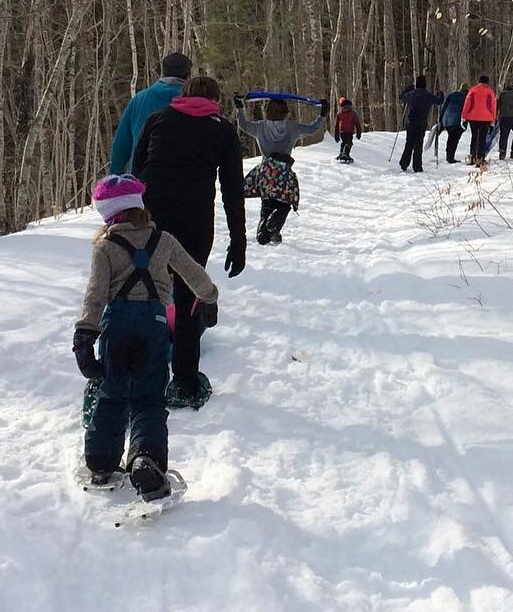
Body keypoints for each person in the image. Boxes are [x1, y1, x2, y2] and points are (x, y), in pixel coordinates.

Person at [73, 174, 218, 499]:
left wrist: (84, 336)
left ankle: (100, 460)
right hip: (153, 326)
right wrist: (209, 298)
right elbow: (193, 272)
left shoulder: (105, 247)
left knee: (111, 395)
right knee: (148, 399)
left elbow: (95, 295)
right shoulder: (163, 240)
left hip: (117, 327)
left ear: (108, 215)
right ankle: (145, 459)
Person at [131, 75, 246, 406]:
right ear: (215, 100)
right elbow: (232, 192)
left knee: (143, 293)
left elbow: (136, 176)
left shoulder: (158, 120)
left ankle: (137, 371)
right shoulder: (222, 130)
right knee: (186, 300)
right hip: (195, 223)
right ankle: (183, 382)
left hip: (149, 220)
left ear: (183, 96)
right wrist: (238, 242)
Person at [237, 94, 328, 238]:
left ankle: (264, 229)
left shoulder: (260, 127)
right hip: (283, 172)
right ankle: (275, 225)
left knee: (267, 201)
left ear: (267, 111)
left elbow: (243, 125)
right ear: (286, 112)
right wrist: (322, 114)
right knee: (285, 201)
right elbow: (312, 129)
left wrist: (240, 107)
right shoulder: (292, 127)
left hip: (266, 171)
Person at [108, 51, 190, 174]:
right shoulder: (196, 103)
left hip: (142, 176)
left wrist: (114, 176)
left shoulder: (140, 100)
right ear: (188, 74)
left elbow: (121, 143)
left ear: (163, 71)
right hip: (187, 178)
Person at [397, 75, 441, 173]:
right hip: (422, 123)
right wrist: (440, 95)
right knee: (418, 144)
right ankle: (417, 166)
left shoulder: (412, 94)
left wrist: (407, 90)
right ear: (425, 85)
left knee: (409, 143)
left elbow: (401, 97)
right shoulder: (428, 96)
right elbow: (439, 101)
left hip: (411, 122)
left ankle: (404, 163)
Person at [461, 74, 497, 167]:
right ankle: (480, 159)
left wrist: (463, 116)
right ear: (487, 82)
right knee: (482, 139)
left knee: (474, 137)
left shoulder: (472, 90)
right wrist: (493, 119)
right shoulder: (490, 91)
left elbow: (467, 103)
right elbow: (493, 105)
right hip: (486, 118)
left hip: (472, 117)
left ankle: (472, 157)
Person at [439, 83, 468, 164]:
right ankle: (450, 157)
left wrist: (441, 119)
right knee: (454, 139)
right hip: (457, 120)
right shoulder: (466, 97)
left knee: (451, 137)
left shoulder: (452, 95)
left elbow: (444, 107)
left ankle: (449, 155)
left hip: (447, 119)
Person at [332, 96, 363, 163]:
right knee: (349, 143)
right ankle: (345, 154)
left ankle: (342, 154)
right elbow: (357, 123)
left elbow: (336, 125)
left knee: (344, 142)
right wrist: (358, 133)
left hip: (341, 131)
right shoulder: (352, 113)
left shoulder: (339, 113)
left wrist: (336, 135)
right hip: (349, 131)